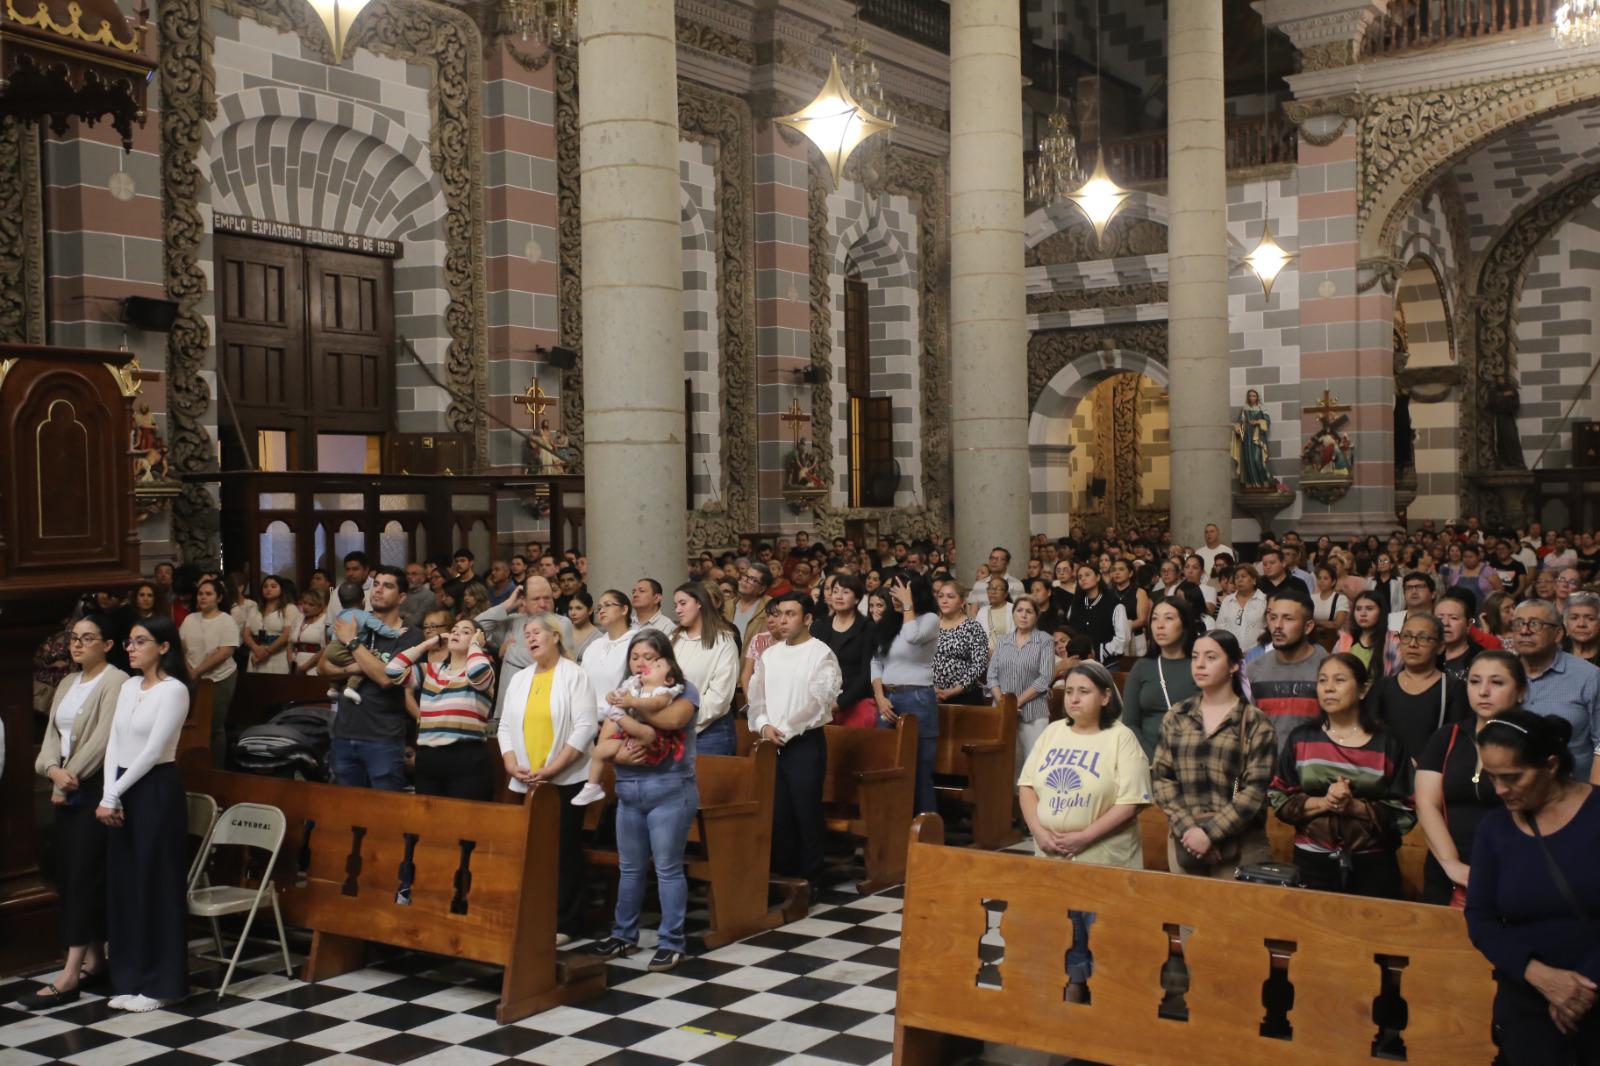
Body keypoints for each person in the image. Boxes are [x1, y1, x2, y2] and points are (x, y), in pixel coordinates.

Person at [1465, 710, 1600, 1063]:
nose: (1500, 790)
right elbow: (1480, 920)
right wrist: (1538, 975)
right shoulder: (1494, 829)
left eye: (1512, 777)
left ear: (1551, 765)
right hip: (1526, 1008)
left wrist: (1580, 990)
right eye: (1491, 777)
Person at [1017, 659, 1150, 1003]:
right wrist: (1038, 831)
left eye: (1084, 692)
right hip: (1051, 855)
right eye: (1070, 691)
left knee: (1104, 938)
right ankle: (1071, 997)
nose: (1073, 699)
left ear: (1106, 697)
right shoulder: (1053, 732)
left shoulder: (1121, 738)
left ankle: (1110, 1003)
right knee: (1065, 935)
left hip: (1103, 858)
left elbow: (1132, 801)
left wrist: (1085, 836)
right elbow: (1028, 786)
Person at [17, 615, 129, 1009]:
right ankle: (96, 959)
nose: (77, 645)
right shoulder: (67, 682)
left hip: (91, 786)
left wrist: (68, 778)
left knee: (84, 874)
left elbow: (102, 741)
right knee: (66, 872)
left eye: (87, 638)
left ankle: (70, 973)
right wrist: (50, 770)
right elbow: (50, 734)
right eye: (73, 639)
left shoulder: (115, 682)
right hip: (63, 780)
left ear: (108, 644)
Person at [586, 632, 702, 972]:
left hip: (670, 789)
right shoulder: (626, 694)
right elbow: (605, 739)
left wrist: (632, 705)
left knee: (666, 869)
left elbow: (671, 721)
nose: (640, 663)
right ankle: (624, 935)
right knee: (630, 868)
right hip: (629, 791)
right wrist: (624, 752)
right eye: (635, 656)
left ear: (665, 661)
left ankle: (671, 941)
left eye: (649, 657)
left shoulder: (682, 690)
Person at [97, 618, 191, 1011]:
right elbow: (114, 741)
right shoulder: (128, 685)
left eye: (140, 641)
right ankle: (129, 976)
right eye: (128, 641)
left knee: (155, 883)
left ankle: (159, 985)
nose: (131, 648)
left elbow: (153, 751)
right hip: (120, 788)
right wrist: (108, 793)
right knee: (125, 883)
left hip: (155, 789)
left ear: (164, 647)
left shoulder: (175, 691)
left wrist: (115, 793)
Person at [1269, 654, 1416, 896]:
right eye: (1322, 680)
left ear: (1362, 690)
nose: (1328, 688)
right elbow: (1279, 795)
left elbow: (1406, 810)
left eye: (1339, 680)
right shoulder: (1302, 738)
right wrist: (1325, 802)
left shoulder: (1387, 743)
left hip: (1373, 863)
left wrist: (1354, 806)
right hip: (1312, 861)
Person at [498, 615, 597, 944]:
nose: (530, 638)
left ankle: (567, 922)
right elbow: (505, 727)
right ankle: (536, 913)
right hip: (527, 778)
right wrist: (511, 762)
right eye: (526, 634)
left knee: (563, 851)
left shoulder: (574, 675)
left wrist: (555, 766)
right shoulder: (521, 679)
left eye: (536, 632)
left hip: (565, 777)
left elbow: (585, 727)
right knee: (532, 849)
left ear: (555, 637)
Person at [1152, 631, 1278, 878]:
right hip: (1185, 841)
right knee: (1186, 915)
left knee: (1232, 915)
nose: (1199, 664)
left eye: (1211, 657)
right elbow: (1162, 779)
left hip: (1241, 844)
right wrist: (1191, 832)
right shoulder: (1178, 715)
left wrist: (1209, 834)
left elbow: (1254, 791)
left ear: (1233, 665)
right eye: (1195, 657)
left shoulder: (1254, 721)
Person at [750, 593, 842, 894]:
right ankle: (783, 874)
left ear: (807, 619)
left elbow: (819, 702)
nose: (783, 620)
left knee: (805, 810)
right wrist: (763, 724)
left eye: (791, 614)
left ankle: (811, 878)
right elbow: (757, 697)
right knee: (777, 811)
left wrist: (785, 729)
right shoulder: (770, 655)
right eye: (780, 614)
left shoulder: (820, 653)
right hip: (770, 742)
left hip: (804, 742)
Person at [1415, 649, 1522, 906]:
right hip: (1446, 871)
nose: (1483, 691)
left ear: (1521, 691)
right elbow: (1426, 804)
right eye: (1475, 682)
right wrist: (1454, 866)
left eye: (1496, 682)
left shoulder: (1532, 741)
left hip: (1512, 870)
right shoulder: (1447, 736)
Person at [321, 565, 418, 790]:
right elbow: (323, 666)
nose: (378, 590)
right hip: (344, 733)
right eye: (375, 584)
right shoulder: (355, 621)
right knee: (348, 812)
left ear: (402, 597)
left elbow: (386, 679)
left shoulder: (409, 636)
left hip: (383, 738)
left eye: (387, 586)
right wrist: (358, 669)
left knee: (384, 814)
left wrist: (352, 642)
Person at [385, 614, 495, 800]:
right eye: (454, 630)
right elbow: (392, 670)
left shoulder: (482, 668)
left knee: (462, 824)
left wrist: (476, 645)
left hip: (466, 758)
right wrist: (426, 644)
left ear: (477, 638)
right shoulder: (431, 670)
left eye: (466, 631)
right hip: (429, 758)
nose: (457, 633)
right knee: (429, 825)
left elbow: (478, 674)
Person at [870, 573, 941, 815]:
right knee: (885, 762)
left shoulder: (929, 619)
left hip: (917, 697)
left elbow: (912, 637)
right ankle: (892, 823)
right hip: (887, 698)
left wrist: (908, 605)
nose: (895, 596)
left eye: (900, 590)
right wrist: (880, 698)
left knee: (920, 766)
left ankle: (925, 828)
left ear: (914, 592)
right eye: (892, 591)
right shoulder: (889, 623)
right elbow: (876, 662)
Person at [1512, 599, 1600, 783]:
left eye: (1535, 624)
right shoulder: (1501, 673)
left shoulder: (1589, 677)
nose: (1524, 630)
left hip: (1572, 792)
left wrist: (1595, 799)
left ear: (1558, 633)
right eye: (1519, 623)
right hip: (1509, 790)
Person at [1372, 613, 1469, 763]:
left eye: (1422, 638)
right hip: (1389, 774)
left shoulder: (1453, 689)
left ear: (1440, 647)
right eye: (1406, 636)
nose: (1412, 644)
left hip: (1432, 775)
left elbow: (1456, 741)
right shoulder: (1382, 687)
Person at [1245, 588, 1329, 753]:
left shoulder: (1329, 668)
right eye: (1273, 618)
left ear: (1308, 626)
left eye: (1288, 619)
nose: (1277, 626)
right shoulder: (1254, 669)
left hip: (1313, 770)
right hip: (1266, 769)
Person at [1122, 598, 1202, 761]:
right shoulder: (1142, 667)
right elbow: (1130, 723)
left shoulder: (1200, 665)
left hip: (1193, 758)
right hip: (1148, 759)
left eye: (1169, 618)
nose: (1159, 625)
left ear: (1185, 624)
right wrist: (1153, 758)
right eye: (1154, 619)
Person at [669, 582, 740, 756]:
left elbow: (719, 699)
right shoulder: (672, 638)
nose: (677, 610)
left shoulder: (723, 642)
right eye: (676, 605)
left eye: (683, 603)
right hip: (673, 728)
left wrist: (682, 718)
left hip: (710, 733)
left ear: (700, 602)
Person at [988, 596, 1056, 770]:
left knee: (1033, 764)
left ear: (1036, 616)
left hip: (1033, 711)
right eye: (1019, 610)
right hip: (1003, 711)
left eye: (1029, 611)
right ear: (1013, 614)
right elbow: (992, 676)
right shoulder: (1003, 641)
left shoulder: (1045, 640)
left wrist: (1016, 702)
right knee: (1006, 763)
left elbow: (1045, 677)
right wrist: (1005, 703)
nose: (1024, 615)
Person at [178, 576, 238, 765]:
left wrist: (197, 670)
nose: (203, 597)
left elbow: (226, 651)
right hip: (193, 676)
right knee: (193, 723)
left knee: (214, 725)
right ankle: (197, 764)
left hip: (219, 677)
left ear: (218, 598)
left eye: (208, 594)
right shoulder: (190, 618)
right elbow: (181, 647)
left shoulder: (226, 620)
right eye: (200, 594)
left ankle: (217, 767)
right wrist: (190, 669)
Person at [813, 573, 877, 726]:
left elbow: (867, 672)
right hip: (822, 701)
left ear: (857, 599)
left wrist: (840, 702)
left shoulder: (867, 627)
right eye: (835, 591)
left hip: (855, 701)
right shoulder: (820, 626)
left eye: (845, 592)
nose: (838, 596)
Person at [931, 577, 990, 707]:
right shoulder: (931, 625)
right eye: (940, 596)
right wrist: (931, 689)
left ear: (962, 601)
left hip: (965, 697)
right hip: (933, 696)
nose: (944, 600)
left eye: (950, 596)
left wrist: (956, 690)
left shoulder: (972, 627)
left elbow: (979, 664)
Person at [1066, 563, 1128, 664]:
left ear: (1098, 577)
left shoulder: (1114, 604)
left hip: (1107, 664)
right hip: (1078, 663)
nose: (1083, 579)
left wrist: (1101, 653)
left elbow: (1122, 638)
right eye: (1080, 577)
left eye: (1087, 575)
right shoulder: (1075, 604)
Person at [241, 574, 301, 675]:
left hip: (278, 655)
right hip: (256, 653)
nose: (269, 589)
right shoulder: (255, 609)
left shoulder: (289, 608)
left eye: (273, 586)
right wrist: (256, 649)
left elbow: (287, 635)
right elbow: (246, 634)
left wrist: (266, 652)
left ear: (281, 589)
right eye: (265, 586)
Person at [1215, 563, 1267, 651]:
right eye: (1237, 577)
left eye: (1243, 576)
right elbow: (1220, 626)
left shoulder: (1264, 600)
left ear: (1254, 580)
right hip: (1230, 651)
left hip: (1257, 652)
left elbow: (1268, 628)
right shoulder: (1228, 600)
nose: (1239, 580)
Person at [1439, 588, 1483, 685]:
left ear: (1469, 624)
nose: (1446, 623)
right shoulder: (1428, 656)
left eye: (1453, 618)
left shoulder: (1482, 658)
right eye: (1440, 618)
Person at [1109, 558, 1153, 655]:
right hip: (1113, 639)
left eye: (1121, 569)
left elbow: (1142, 620)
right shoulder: (1108, 594)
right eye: (1114, 570)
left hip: (1136, 639)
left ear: (1130, 573)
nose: (1117, 573)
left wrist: (1123, 628)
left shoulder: (1140, 592)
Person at [724, 562, 773, 647]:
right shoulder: (727, 605)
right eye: (745, 576)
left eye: (752, 579)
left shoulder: (770, 608)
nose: (745, 581)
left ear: (762, 588)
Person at [289, 587, 329, 674]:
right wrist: (290, 664)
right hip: (295, 666)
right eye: (304, 603)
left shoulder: (325, 620)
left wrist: (304, 667)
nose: (305, 607)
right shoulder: (299, 618)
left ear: (320, 607)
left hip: (314, 667)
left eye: (311, 605)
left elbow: (325, 648)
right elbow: (289, 643)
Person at [974, 574, 1013, 651]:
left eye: (997, 589)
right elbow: (977, 638)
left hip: (1009, 656)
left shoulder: (1014, 609)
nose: (993, 592)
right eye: (990, 588)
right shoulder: (982, 612)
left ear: (1005, 594)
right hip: (986, 658)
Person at [1565, 591, 1600, 669]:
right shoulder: (1554, 654)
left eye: (1590, 619)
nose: (1581, 624)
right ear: (1565, 623)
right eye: (1574, 618)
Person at [1310, 564, 1350, 631]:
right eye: (1319, 578)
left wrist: (1316, 622)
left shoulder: (1341, 599)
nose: (1321, 581)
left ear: (1333, 582)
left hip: (1333, 637)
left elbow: (1337, 624)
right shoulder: (1312, 597)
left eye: (1325, 578)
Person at [567, 590, 600, 660]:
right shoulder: (562, 630)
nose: (573, 613)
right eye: (570, 608)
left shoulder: (598, 638)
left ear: (590, 610)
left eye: (578, 608)